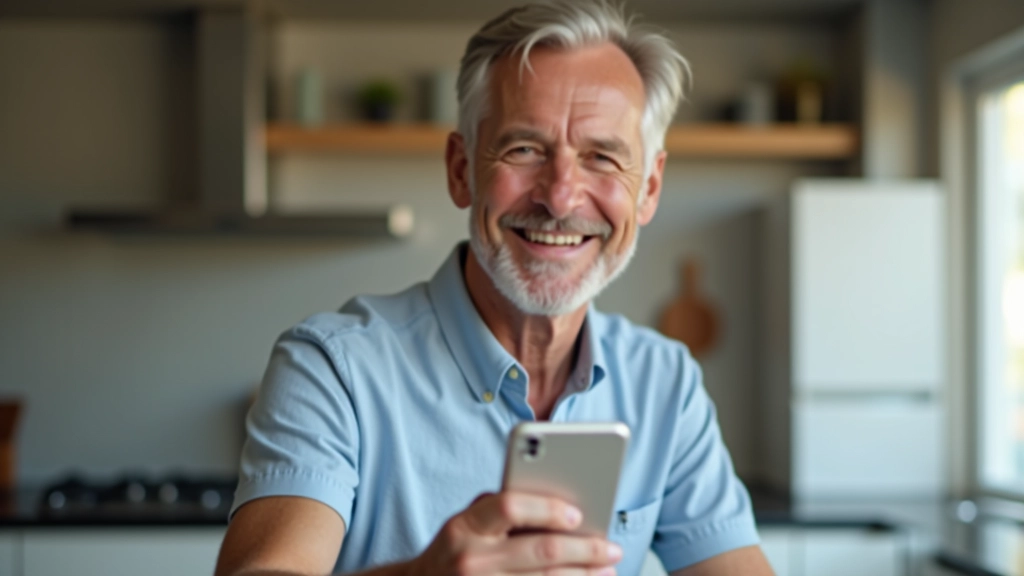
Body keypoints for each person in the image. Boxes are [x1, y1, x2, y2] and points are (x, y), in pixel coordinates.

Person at [215, 1, 773, 575]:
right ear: (462, 170)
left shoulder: (666, 385)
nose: (560, 197)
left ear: (648, 189)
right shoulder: (333, 369)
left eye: (602, 157)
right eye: (524, 149)